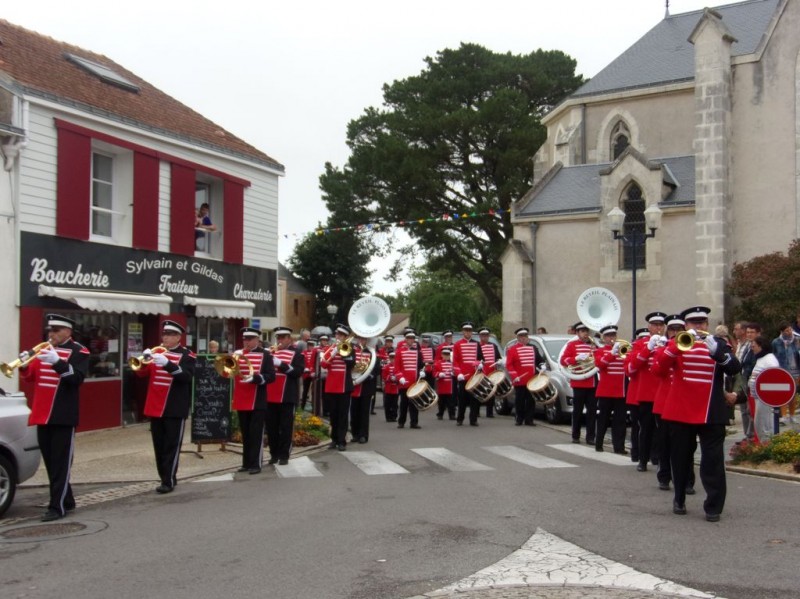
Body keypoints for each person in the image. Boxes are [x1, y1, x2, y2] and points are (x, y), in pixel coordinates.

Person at [654, 306, 740, 522]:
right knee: (680, 458)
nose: (699, 326)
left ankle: (713, 507)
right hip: (681, 410)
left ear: (707, 325)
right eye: (694, 323)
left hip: (711, 411)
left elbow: (734, 368)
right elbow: (658, 369)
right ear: (686, 326)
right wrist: (674, 348)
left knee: (713, 460)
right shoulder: (676, 344)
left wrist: (719, 354)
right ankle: (679, 498)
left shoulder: (719, 345)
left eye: (702, 323)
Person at [19, 314, 89, 521]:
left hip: (62, 415)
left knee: (61, 462)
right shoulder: (42, 350)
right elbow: (32, 377)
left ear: (68, 332)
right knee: (51, 461)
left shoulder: (79, 351)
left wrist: (57, 362)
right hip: (42, 414)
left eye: (57, 330)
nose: (52, 334)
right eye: (50, 330)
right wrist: (23, 365)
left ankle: (56, 506)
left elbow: (76, 379)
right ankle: (67, 499)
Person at [134, 320, 196, 494]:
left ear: (178, 337)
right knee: (159, 445)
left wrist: (168, 364)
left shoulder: (187, 356)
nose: (165, 338)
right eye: (164, 334)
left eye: (169, 335)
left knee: (172, 445)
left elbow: (186, 377)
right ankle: (164, 476)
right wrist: (145, 360)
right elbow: (141, 373)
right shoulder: (157, 353)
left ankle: (168, 479)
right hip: (155, 407)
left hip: (174, 407)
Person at [625, 312, 667, 469]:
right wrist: (647, 349)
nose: (658, 328)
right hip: (647, 394)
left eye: (660, 325)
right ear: (649, 327)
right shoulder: (640, 344)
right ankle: (643, 459)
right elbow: (630, 368)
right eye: (655, 325)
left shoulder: (668, 343)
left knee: (661, 430)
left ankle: (658, 458)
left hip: (663, 393)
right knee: (646, 429)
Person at [231, 327, 276, 474]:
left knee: (256, 433)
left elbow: (271, 376)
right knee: (245, 433)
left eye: (250, 339)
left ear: (257, 340)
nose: (247, 342)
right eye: (245, 339)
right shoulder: (238, 354)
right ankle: (246, 463)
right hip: (241, 398)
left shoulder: (266, 355)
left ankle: (256, 464)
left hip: (257, 399)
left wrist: (256, 378)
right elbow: (228, 372)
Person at [266, 327, 304, 464]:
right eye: (278, 338)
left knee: (286, 427)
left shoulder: (297, 353)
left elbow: (297, 373)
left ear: (289, 338)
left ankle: (284, 455)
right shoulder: (271, 352)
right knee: (271, 427)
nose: (280, 340)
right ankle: (273, 454)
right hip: (270, 395)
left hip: (287, 396)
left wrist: (281, 364)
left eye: (283, 337)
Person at [592, 325, 627, 454]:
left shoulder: (623, 350)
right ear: (604, 338)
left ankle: (619, 447)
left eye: (613, 335)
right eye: (608, 336)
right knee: (603, 419)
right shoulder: (600, 351)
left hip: (620, 391)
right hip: (606, 391)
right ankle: (598, 443)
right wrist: (612, 354)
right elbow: (600, 364)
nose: (611, 338)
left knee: (620, 421)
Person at [560, 322, 597, 444]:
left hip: (591, 382)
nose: (585, 333)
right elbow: (563, 361)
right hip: (578, 382)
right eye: (582, 331)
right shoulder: (572, 345)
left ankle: (590, 437)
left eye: (587, 331)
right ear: (577, 333)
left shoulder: (594, 345)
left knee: (592, 411)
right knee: (577, 411)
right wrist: (575, 359)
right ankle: (575, 435)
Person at [320, 324, 355, 450]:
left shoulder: (350, 348)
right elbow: (323, 364)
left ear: (345, 337)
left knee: (343, 415)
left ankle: (341, 441)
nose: (338, 337)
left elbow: (351, 363)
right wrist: (333, 353)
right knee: (333, 415)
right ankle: (334, 439)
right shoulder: (330, 348)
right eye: (337, 334)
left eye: (340, 335)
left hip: (344, 386)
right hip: (331, 386)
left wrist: (342, 351)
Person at [505, 327, 546, 426]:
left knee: (531, 400)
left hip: (531, 380)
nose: (523, 338)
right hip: (519, 380)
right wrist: (515, 375)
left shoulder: (533, 348)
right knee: (519, 400)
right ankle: (519, 418)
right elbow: (509, 365)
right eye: (521, 336)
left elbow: (539, 360)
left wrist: (542, 366)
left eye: (525, 336)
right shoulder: (512, 349)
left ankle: (529, 419)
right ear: (518, 338)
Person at [748, 335, 780, 442]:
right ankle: (764, 445)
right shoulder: (761, 358)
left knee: (764, 424)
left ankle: (767, 445)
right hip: (758, 397)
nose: (752, 348)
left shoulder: (770, 360)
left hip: (765, 398)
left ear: (761, 346)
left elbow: (775, 377)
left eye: (754, 346)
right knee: (759, 424)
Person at [453, 321, 484, 426]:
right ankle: (460, 419)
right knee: (462, 399)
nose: (468, 333)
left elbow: (481, 358)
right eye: (466, 330)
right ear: (463, 331)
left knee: (474, 399)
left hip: (474, 377)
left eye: (470, 331)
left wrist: (480, 364)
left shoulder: (476, 344)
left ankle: (473, 419)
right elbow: (455, 361)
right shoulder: (457, 344)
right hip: (463, 377)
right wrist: (458, 374)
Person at [349, 336, 378, 443]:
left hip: (366, 387)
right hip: (354, 385)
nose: (362, 341)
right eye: (360, 339)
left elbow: (376, 367)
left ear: (367, 341)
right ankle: (355, 434)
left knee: (364, 413)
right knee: (354, 412)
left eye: (364, 339)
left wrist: (371, 375)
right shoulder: (352, 351)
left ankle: (363, 435)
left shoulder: (371, 352)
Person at [395, 330, 424, 429]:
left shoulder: (417, 352)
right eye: (410, 338)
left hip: (414, 382)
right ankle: (401, 422)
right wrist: (400, 377)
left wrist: (422, 372)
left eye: (413, 338)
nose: (411, 340)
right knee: (404, 403)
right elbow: (397, 367)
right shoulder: (399, 351)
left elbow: (421, 365)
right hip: (404, 382)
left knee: (414, 403)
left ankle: (414, 422)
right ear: (406, 339)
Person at [772, 321, 799, 424]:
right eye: (787, 330)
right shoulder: (776, 342)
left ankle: (792, 415)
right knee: (783, 393)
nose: (790, 332)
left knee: (793, 393)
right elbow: (774, 355)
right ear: (782, 331)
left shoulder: (796, 340)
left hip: (795, 369)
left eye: (790, 329)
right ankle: (784, 415)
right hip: (782, 370)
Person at [477, 327, 502, 418]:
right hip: (481, 372)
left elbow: (498, 358)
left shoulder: (493, 346)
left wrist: (499, 361)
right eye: (483, 335)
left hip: (492, 372)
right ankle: (477, 411)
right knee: (480, 392)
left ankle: (489, 412)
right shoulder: (477, 346)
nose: (485, 337)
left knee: (491, 392)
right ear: (480, 336)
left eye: (487, 335)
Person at [434, 347, 456, 420]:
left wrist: (454, 373)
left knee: (451, 402)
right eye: (445, 354)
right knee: (441, 402)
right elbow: (434, 373)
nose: (446, 356)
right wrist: (439, 374)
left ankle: (452, 415)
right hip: (442, 385)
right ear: (442, 355)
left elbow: (456, 372)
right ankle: (440, 414)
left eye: (448, 355)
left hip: (450, 386)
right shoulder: (438, 364)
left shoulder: (453, 364)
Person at [382, 351, 399, 422]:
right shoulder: (386, 367)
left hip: (395, 388)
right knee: (387, 404)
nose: (393, 360)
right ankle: (388, 417)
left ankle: (394, 416)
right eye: (391, 358)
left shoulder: (398, 367)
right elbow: (384, 376)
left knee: (395, 404)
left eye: (394, 358)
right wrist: (390, 378)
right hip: (388, 388)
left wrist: (397, 378)